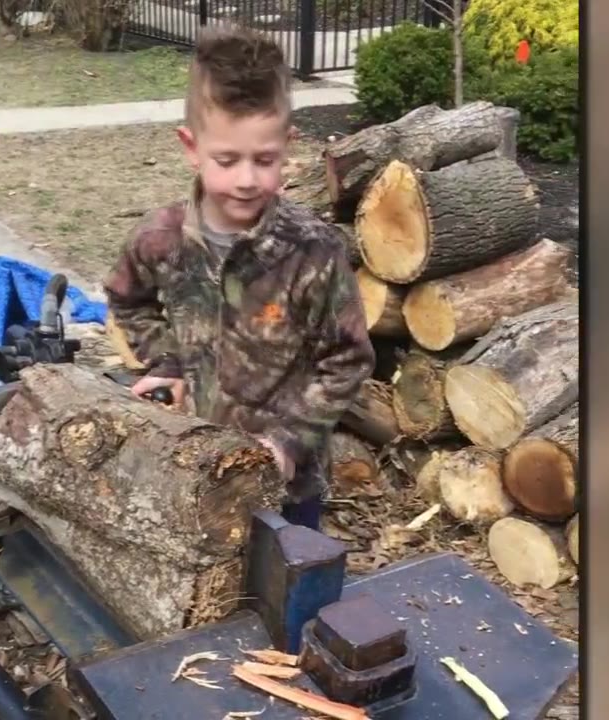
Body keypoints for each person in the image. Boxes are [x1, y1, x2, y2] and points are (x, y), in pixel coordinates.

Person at [102, 27, 375, 531]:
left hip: (287, 486)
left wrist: (290, 442)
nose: (247, 179)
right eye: (226, 160)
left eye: (264, 160)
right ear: (191, 147)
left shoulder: (314, 250)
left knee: (283, 595)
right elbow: (127, 298)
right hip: (189, 462)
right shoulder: (160, 237)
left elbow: (348, 360)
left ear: (288, 145)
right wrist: (169, 364)